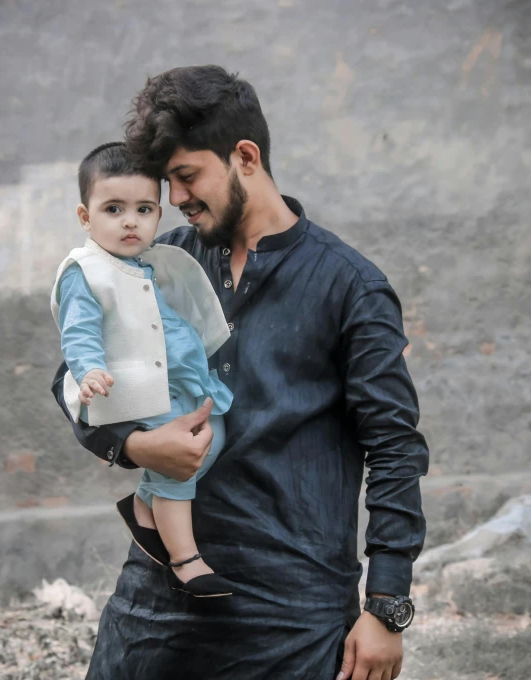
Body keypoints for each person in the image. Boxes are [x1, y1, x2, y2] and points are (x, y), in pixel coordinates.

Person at [51, 66, 430, 679]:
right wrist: (136, 444)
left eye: (186, 176)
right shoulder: (157, 263)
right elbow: (70, 378)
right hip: (157, 598)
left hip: (294, 613)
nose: (174, 199)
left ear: (244, 157)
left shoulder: (350, 286)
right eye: (167, 182)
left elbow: (393, 447)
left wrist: (385, 608)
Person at [51, 141, 234, 597]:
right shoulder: (85, 271)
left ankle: (145, 504)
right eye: (114, 208)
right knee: (180, 463)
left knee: (215, 438)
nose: (130, 221)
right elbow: (79, 329)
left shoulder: (148, 262)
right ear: (85, 217)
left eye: (144, 209)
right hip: (138, 387)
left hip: (179, 381)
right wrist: (89, 369)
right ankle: (185, 559)